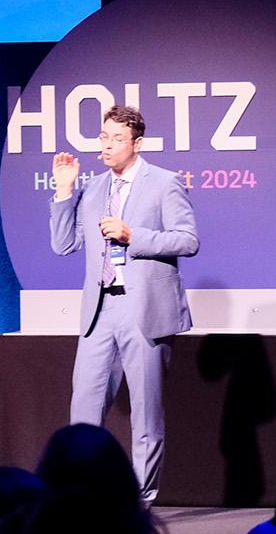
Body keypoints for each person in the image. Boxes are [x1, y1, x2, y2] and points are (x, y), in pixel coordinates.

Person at [49, 103, 198, 502]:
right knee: (84, 411)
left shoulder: (164, 182)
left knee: (146, 415)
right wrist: (64, 191)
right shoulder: (93, 187)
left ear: (137, 143)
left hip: (144, 309)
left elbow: (188, 240)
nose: (107, 145)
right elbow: (63, 244)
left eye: (117, 138)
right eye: (103, 137)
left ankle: (139, 501)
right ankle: (79, 496)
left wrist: (135, 236)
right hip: (99, 311)